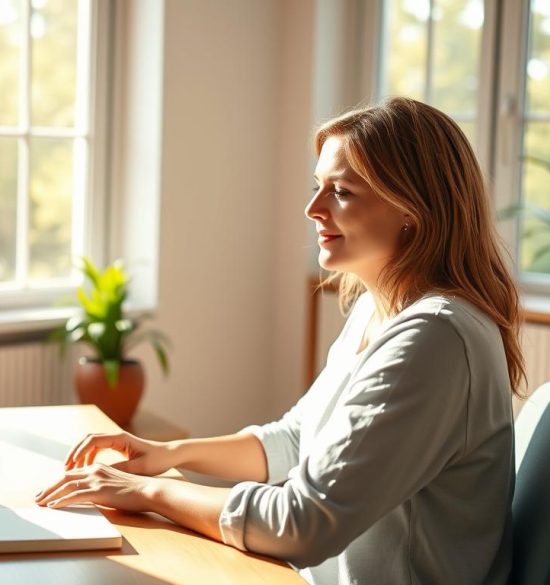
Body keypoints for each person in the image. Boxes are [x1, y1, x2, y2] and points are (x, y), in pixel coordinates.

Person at [34, 97, 524, 584]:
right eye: (318, 187)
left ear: (411, 210)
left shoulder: (433, 338)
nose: (313, 208)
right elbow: (297, 438)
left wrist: (149, 492)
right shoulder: (381, 307)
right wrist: (171, 455)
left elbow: (301, 523)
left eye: (343, 192)